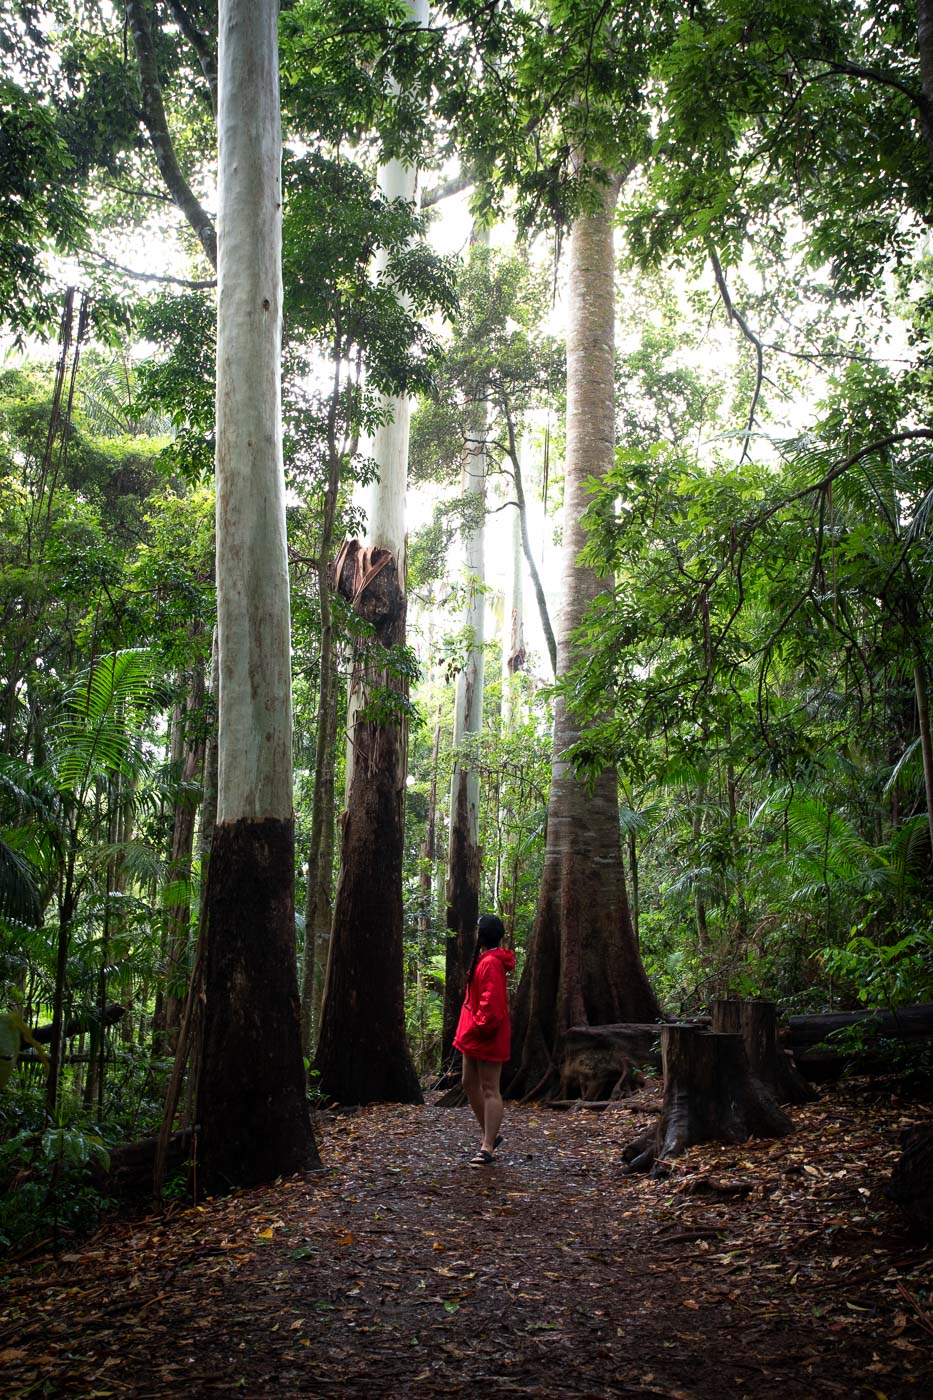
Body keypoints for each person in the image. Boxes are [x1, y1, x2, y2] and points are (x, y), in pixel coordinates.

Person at [453, 913, 515, 1167]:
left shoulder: (491, 963)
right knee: (469, 1083)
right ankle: (490, 1133)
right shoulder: (485, 959)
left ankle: (487, 1146)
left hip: (486, 1032)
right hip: (473, 1033)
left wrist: (479, 1026)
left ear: (482, 935)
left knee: (490, 1087)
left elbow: (492, 1003)